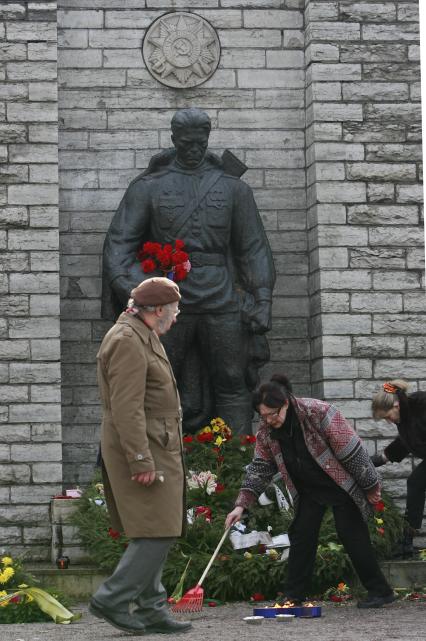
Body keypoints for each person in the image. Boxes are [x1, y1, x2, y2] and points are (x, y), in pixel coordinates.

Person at [101, 107, 275, 435]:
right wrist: (135, 291)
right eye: (186, 142)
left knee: (231, 381)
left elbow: (253, 248)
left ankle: (237, 469)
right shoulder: (149, 188)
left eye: (200, 141)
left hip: (221, 298)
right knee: (158, 381)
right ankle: (160, 468)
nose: (194, 148)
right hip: (167, 302)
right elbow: (119, 244)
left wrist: (262, 300)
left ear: (207, 138)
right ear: (174, 140)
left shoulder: (234, 190)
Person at [225, 374, 396, 609]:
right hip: (307, 488)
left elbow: (352, 451)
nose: (268, 420)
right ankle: (293, 595)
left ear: (285, 403)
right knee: (301, 535)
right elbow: (260, 467)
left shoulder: (319, 412)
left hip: (340, 484)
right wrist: (241, 505)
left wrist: (371, 485)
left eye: (272, 414)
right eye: (262, 416)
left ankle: (381, 591)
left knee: (351, 534)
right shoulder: (267, 431)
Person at [90, 277, 191, 635]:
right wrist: (140, 459)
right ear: (159, 310)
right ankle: (112, 598)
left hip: (155, 445)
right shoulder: (128, 341)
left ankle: (151, 608)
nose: (177, 318)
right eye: (175, 311)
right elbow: (126, 408)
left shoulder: (140, 335)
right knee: (156, 531)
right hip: (144, 448)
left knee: (157, 527)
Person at [371, 380, 426, 558]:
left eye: (387, 416)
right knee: (416, 484)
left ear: (396, 405)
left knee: (416, 482)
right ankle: (407, 541)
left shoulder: (421, 404)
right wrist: (369, 462)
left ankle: (407, 540)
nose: (388, 421)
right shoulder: (405, 420)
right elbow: (402, 445)